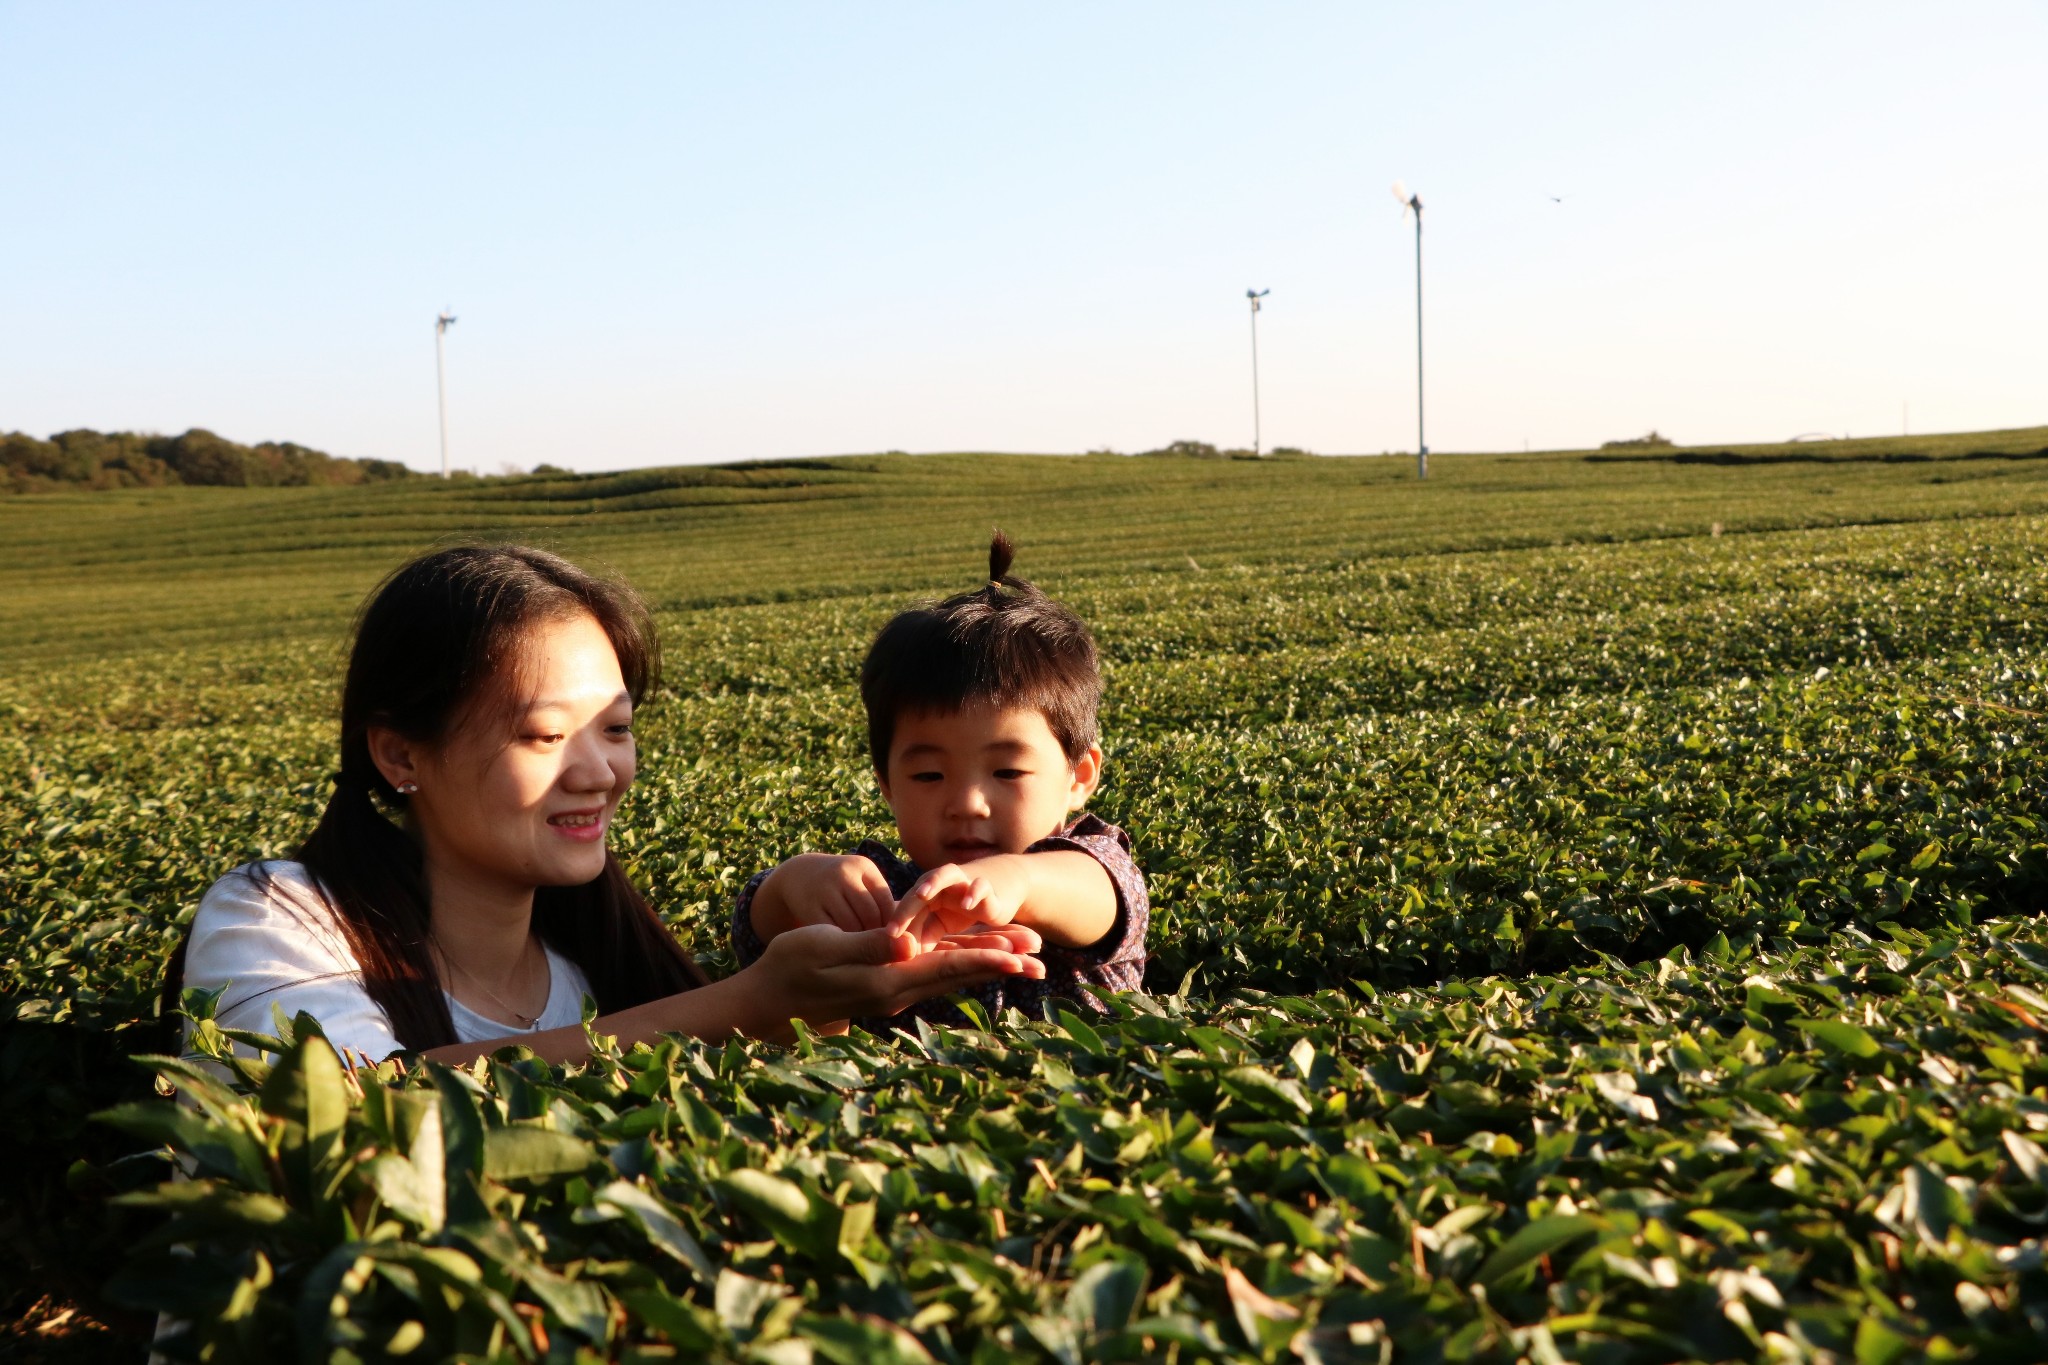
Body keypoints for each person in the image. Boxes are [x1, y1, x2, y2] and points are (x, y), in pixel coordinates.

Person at [163, 544, 1046, 1067]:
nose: (599, 772)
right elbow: (347, 1116)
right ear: (400, 753)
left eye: (615, 729)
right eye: (546, 736)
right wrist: (743, 1003)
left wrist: (817, 1004)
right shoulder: (276, 915)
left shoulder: (590, 974)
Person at [731, 531, 1147, 1030]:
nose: (967, 803)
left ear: (1079, 777)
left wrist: (1018, 880)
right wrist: (794, 883)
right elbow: (759, 937)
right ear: (886, 782)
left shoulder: (1088, 864)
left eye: (1008, 771)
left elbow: (1103, 897)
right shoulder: (888, 893)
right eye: (929, 774)